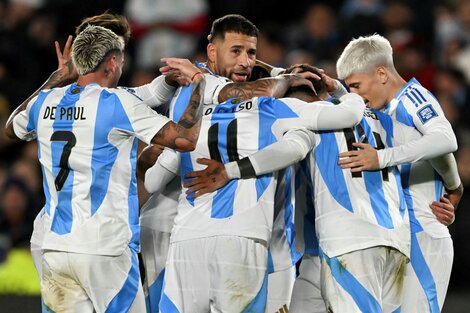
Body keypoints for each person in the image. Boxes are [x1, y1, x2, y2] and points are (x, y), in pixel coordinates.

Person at [4, 25, 206, 313]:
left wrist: (55, 78)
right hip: (105, 250)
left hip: (57, 251)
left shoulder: (45, 100)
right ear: (112, 62)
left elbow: (12, 128)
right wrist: (198, 82)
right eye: (121, 59)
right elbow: (185, 138)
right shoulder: (115, 103)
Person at [183, 69, 412, 312]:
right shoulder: (379, 118)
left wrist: (229, 171)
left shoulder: (304, 121)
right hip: (389, 241)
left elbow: (290, 149)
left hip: (349, 242)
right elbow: (429, 149)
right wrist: (452, 188)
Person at [143, 66, 365, 311]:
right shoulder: (277, 110)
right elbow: (349, 115)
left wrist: (160, 153)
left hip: (187, 238)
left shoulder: (198, 118)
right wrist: (344, 90)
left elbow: (152, 182)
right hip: (250, 238)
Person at [335, 34, 463, 312]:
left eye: (357, 86)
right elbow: (436, 151)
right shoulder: (384, 109)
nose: (356, 96)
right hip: (400, 235)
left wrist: (380, 158)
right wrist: (454, 186)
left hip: (423, 234)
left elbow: (445, 139)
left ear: (381, 73)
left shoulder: (412, 98)